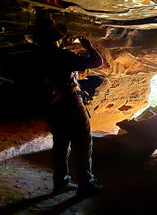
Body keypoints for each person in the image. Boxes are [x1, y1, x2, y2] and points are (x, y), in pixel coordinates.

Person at [31, 15, 104, 196]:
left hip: (52, 105)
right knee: (83, 142)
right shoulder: (63, 55)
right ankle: (86, 184)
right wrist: (88, 46)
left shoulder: (37, 54)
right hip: (71, 103)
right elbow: (97, 62)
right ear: (57, 38)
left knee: (60, 144)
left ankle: (60, 183)